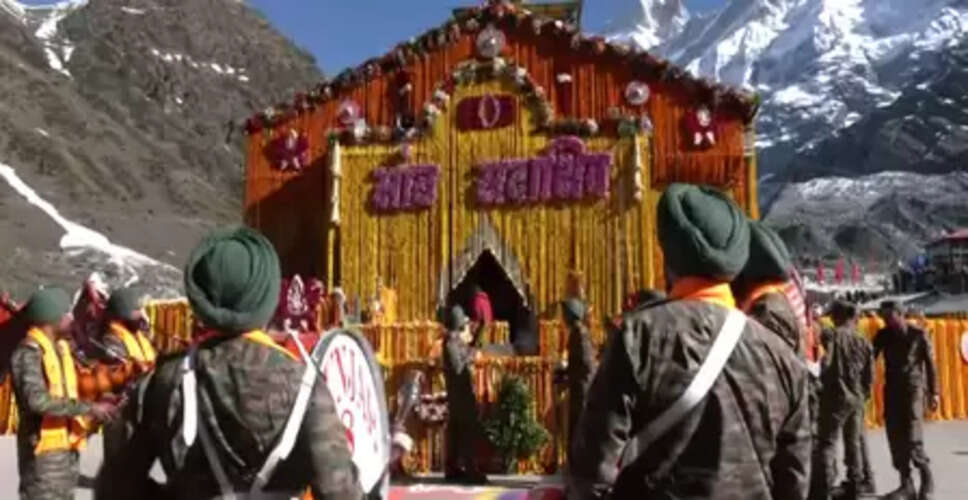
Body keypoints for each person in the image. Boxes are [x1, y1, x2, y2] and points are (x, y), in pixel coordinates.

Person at [568, 183, 811, 499]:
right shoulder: (783, 358)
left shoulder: (638, 337)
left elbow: (593, 469)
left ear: (668, 255)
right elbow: (794, 480)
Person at [94, 226, 362, 499]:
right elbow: (338, 491)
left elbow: (116, 486)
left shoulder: (162, 381)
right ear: (265, 299)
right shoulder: (304, 383)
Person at [11, 288, 116, 500]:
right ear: (51, 317)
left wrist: (99, 399)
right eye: (66, 313)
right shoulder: (29, 353)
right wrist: (90, 408)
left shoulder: (61, 349)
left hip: (66, 449)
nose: (71, 318)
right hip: (43, 456)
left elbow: (71, 390)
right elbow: (37, 401)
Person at [874, 301, 939, 500]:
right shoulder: (883, 336)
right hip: (892, 389)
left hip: (913, 389)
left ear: (901, 314)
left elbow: (930, 365)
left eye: (889, 316)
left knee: (913, 436)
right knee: (895, 435)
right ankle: (906, 484)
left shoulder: (918, 335)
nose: (886, 320)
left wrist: (934, 393)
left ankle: (927, 481)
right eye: (883, 317)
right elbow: (870, 357)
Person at [815, 301, 873, 500]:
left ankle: (824, 485)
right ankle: (855, 485)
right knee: (853, 442)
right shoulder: (863, 340)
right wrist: (862, 395)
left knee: (827, 443)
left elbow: (826, 362)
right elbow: (869, 375)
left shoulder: (832, 335)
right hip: (856, 397)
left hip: (835, 396)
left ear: (838, 316)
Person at [98, 288, 157, 464]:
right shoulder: (110, 340)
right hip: (120, 406)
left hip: (141, 403)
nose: (141, 315)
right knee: (119, 457)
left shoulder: (138, 335)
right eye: (136, 311)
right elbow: (119, 369)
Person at [441, 305, 487, 485]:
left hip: (461, 392)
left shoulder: (455, 341)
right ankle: (469, 469)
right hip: (459, 393)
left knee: (458, 430)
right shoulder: (451, 342)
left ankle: (453, 467)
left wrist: (475, 342)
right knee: (467, 429)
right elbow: (458, 366)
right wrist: (471, 354)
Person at [562, 297, 595, 465]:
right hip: (578, 386)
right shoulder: (576, 332)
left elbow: (586, 364)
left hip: (582, 388)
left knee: (579, 426)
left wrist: (570, 375)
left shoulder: (580, 334)